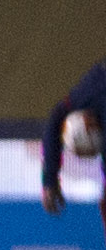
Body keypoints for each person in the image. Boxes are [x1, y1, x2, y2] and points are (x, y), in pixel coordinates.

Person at [38, 53, 104, 215]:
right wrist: (50, 180)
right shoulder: (90, 91)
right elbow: (55, 121)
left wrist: (50, 181)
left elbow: (55, 120)